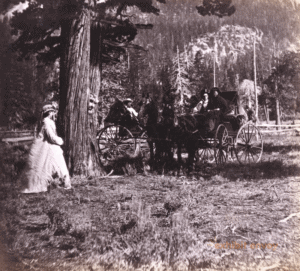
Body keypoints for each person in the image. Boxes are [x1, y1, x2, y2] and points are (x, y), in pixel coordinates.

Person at [19, 104, 71, 193]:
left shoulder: (46, 121)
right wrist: (60, 141)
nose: (54, 114)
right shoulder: (47, 122)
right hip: (48, 146)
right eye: (52, 112)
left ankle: (60, 182)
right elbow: (51, 136)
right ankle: (60, 183)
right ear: (49, 113)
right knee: (48, 164)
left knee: (54, 164)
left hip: (51, 146)